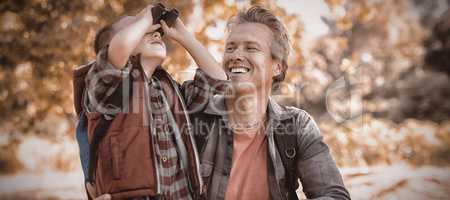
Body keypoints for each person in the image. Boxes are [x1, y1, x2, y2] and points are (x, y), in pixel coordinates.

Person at [191, 6, 351, 200]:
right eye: (230, 48)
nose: (236, 56)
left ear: (277, 66)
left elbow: (333, 194)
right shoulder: (195, 113)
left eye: (251, 48)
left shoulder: (298, 125)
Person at [79, 4, 226, 200]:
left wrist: (182, 35)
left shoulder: (169, 90)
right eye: (140, 28)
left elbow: (217, 80)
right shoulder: (105, 88)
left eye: (154, 29)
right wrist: (145, 17)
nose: (154, 31)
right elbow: (120, 47)